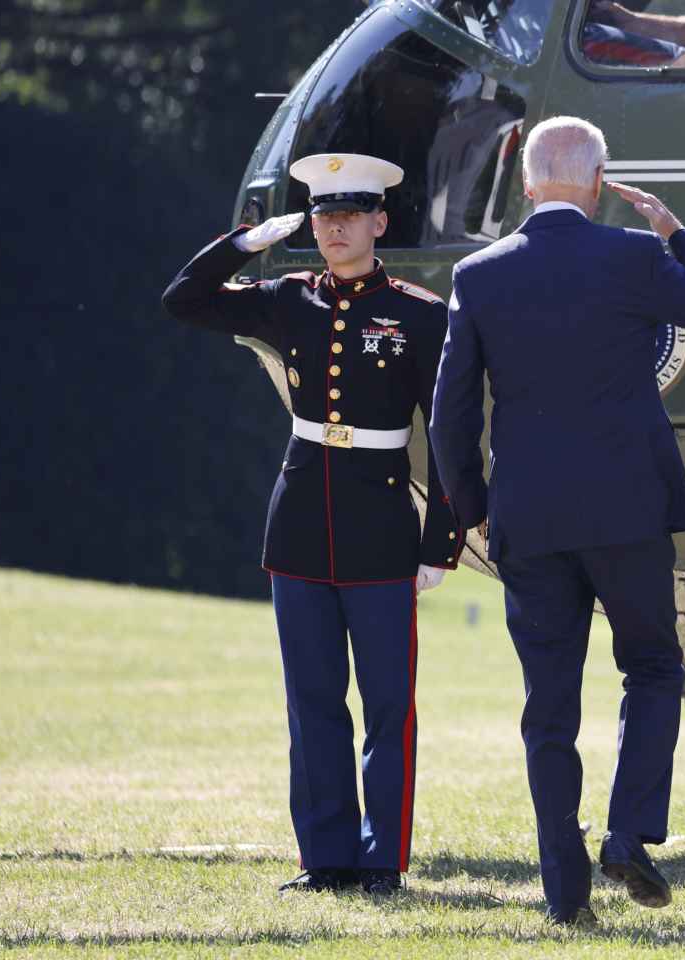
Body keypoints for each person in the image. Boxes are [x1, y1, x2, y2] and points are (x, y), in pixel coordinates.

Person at [428, 116, 685, 925]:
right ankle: (629, 834)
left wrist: (473, 509)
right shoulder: (636, 256)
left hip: (529, 519)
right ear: (601, 182)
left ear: (527, 184)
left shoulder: (480, 273)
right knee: (651, 669)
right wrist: (675, 231)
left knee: (549, 707)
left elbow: (449, 415)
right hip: (628, 510)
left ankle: (564, 896)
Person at [161, 153, 465, 896]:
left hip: (383, 528)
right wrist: (244, 243)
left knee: (388, 707)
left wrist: (441, 546)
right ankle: (325, 857)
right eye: (324, 217)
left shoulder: (421, 314)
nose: (334, 229)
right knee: (314, 702)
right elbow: (182, 299)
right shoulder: (286, 297)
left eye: (349, 216)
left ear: (379, 222)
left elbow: (454, 438)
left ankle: (381, 860)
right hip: (299, 524)